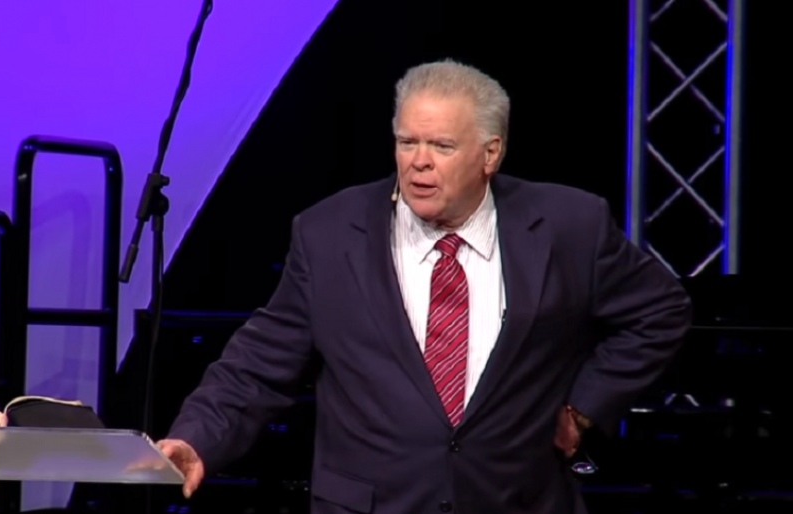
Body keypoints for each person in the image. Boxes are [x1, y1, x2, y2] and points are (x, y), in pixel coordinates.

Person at [158, 60, 692, 513]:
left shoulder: (569, 225)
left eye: (441, 145)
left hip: (519, 500)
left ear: (491, 154)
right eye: (406, 141)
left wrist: (582, 409)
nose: (419, 162)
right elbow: (259, 363)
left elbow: (661, 311)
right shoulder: (329, 233)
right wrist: (198, 438)